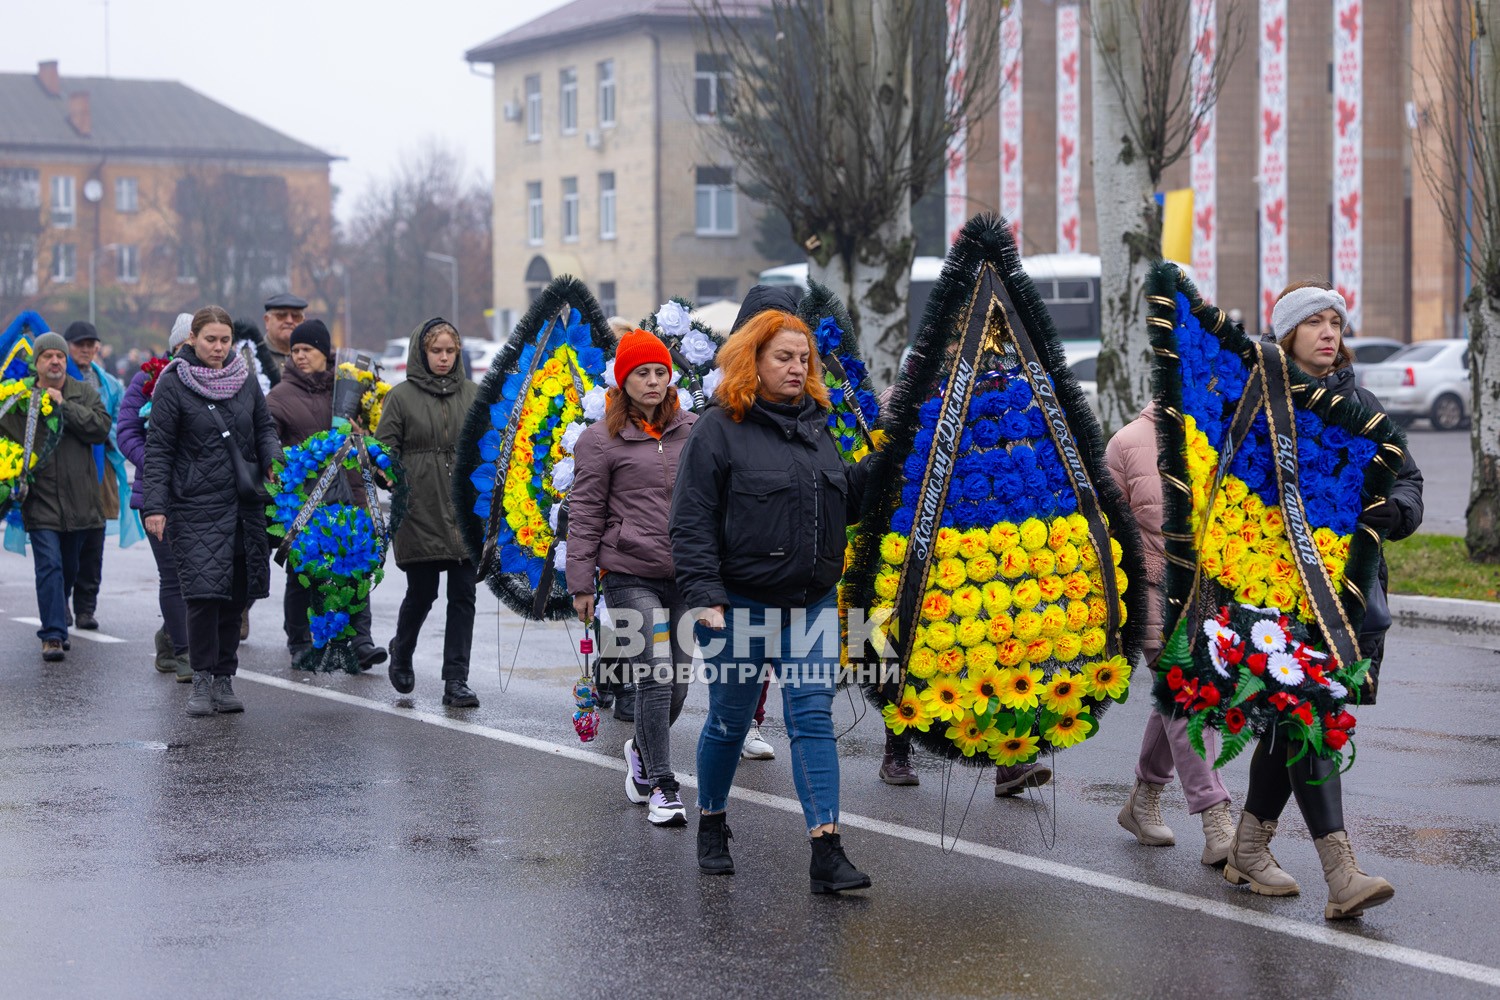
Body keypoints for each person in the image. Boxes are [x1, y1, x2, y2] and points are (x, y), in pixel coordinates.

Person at [1222, 280, 1423, 919]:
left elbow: (1409, 477)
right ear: (1288, 336)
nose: (1329, 332)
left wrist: (1398, 510)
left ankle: (1248, 849)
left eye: (1336, 321)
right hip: (1277, 596)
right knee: (1306, 718)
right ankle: (1342, 874)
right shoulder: (1258, 402)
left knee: (1294, 724)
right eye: (1315, 322)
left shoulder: (1359, 401)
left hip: (1351, 601)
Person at [671, 308, 873, 893]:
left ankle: (826, 851)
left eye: (804, 358)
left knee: (812, 717)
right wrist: (705, 596)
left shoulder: (819, 423)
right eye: (783, 357)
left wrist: (878, 470)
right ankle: (712, 821)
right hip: (735, 605)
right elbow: (690, 522)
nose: (796, 367)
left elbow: (843, 509)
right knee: (730, 721)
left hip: (810, 604)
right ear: (752, 361)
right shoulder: (718, 428)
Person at [568, 329, 697, 827]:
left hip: (684, 574)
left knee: (679, 685)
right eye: (641, 372)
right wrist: (581, 581)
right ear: (623, 380)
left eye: (660, 372)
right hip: (628, 573)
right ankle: (663, 785)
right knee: (657, 674)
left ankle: (641, 752)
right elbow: (584, 511)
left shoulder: (692, 431)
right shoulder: (600, 440)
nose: (652, 381)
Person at [1107, 402, 1235, 866]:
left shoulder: (1227, 435)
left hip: (1219, 593)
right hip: (1156, 592)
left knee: (1176, 701)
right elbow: (1108, 534)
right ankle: (1215, 815)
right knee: (1187, 696)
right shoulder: (1127, 442)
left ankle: (1142, 801)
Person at [143, 306, 281, 716]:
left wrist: (273, 458)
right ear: (192, 341)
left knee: (235, 597)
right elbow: (160, 450)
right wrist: (156, 506)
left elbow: (264, 428)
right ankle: (200, 680)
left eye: (224, 340)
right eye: (210, 340)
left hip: (243, 506)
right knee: (203, 597)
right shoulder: (172, 383)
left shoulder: (244, 380)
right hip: (194, 506)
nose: (219, 348)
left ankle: (225, 680)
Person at [265, 318, 387, 670]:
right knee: (302, 573)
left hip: (350, 494)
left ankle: (360, 641)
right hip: (305, 502)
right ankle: (300, 641)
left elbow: (373, 437)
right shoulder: (279, 397)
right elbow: (268, 437)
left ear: (324, 353)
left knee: (356, 568)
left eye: (308, 350)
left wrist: (364, 432)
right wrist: (277, 463)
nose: (300, 356)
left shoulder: (348, 388)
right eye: (296, 351)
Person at [376, 318, 480, 708]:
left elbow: (490, 444)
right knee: (422, 592)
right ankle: (401, 651)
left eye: (449, 351)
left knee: (463, 596)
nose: (443, 358)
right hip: (419, 508)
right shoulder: (401, 397)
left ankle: (457, 679)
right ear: (422, 352)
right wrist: (385, 473)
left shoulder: (473, 394)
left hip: (464, 511)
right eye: (435, 351)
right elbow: (382, 450)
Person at [0, 332, 111, 662]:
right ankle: (52, 634)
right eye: (47, 356)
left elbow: (101, 428)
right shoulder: (22, 399)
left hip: (80, 501)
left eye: (60, 356)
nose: (55, 361)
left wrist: (66, 407)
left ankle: (58, 613)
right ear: (37, 364)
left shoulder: (83, 393)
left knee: (69, 568)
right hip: (42, 499)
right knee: (48, 565)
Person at [118, 314, 194, 680]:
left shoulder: (219, 380)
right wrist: (160, 461)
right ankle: (184, 654)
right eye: (186, 346)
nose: (192, 353)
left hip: (202, 495)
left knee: (201, 576)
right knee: (174, 575)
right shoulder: (146, 381)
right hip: (157, 493)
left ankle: (169, 637)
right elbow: (127, 433)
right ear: (174, 346)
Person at [61, 320, 139, 631]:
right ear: (67, 346)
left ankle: (85, 608)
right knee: (67, 540)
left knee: (94, 542)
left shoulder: (110, 384)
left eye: (90, 343)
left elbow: (120, 424)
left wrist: (102, 431)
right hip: (63, 469)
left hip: (100, 470)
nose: (85, 349)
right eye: (79, 343)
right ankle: (61, 603)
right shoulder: (58, 378)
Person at [262, 292, 307, 375]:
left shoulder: (310, 358)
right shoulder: (253, 356)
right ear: (267, 321)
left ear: (303, 322)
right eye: (281, 315)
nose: (289, 321)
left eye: (296, 316)